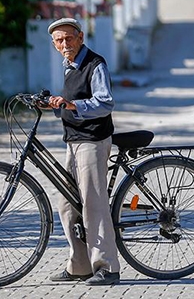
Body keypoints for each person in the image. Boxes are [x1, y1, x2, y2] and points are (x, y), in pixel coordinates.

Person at [45, 17, 121, 286]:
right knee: (67, 204)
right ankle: (79, 266)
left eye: (68, 38)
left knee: (93, 204)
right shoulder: (68, 66)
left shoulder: (94, 63)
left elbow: (105, 102)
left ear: (80, 37)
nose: (64, 44)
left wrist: (74, 106)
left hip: (93, 141)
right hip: (73, 140)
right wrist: (54, 104)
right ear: (54, 45)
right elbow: (70, 103)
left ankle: (107, 267)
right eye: (59, 40)